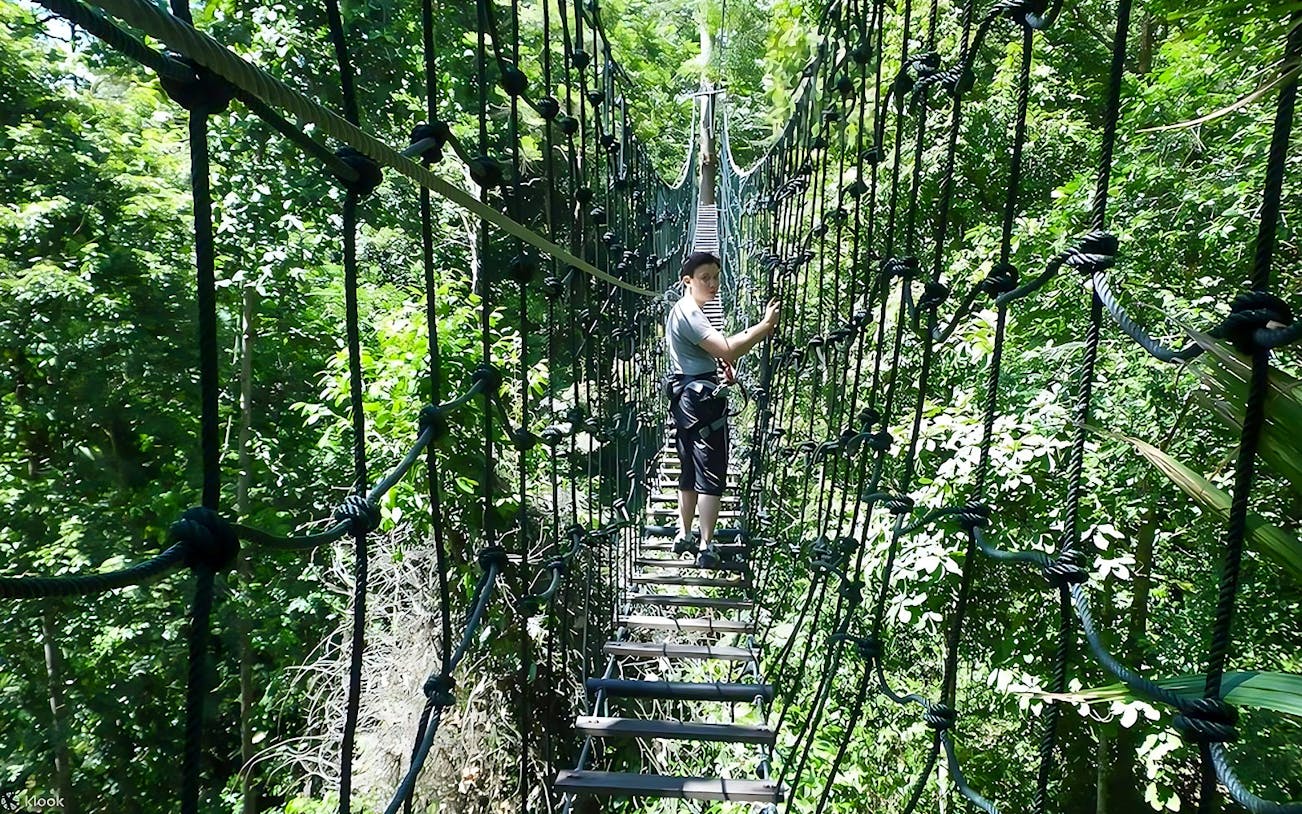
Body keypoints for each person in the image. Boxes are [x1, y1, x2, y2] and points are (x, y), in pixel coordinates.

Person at [664, 251, 780, 567]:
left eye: (716, 277)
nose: (713, 284)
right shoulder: (690, 312)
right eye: (705, 278)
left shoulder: (682, 310)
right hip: (702, 404)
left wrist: (716, 369)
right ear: (687, 281)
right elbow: (727, 348)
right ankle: (705, 545)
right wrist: (765, 326)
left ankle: (684, 533)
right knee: (711, 473)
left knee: (688, 470)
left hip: (686, 397)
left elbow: (705, 353)